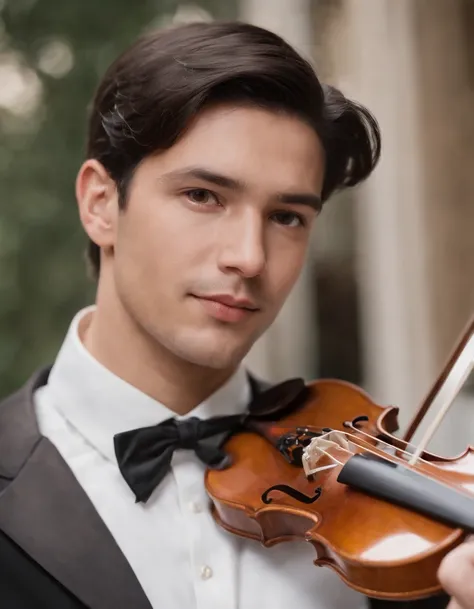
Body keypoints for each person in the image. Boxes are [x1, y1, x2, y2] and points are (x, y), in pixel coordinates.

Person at [0, 19, 461, 609]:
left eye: (287, 216)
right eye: (203, 196)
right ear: (100, 204)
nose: (249, 257)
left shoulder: (391, 529)